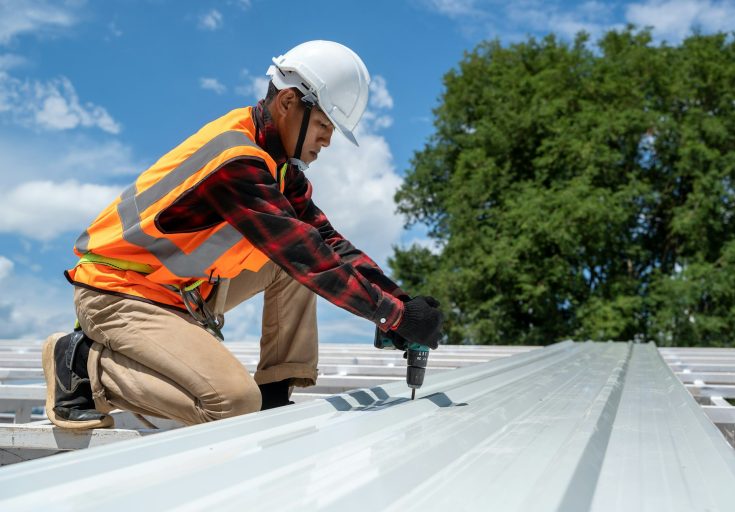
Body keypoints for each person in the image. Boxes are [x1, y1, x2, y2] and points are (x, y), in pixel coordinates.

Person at [42, 40, 444, 429]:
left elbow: (328, 243)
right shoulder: (237, 162)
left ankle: (274, 392)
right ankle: (81, 363)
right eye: (323, 124)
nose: (327, 139)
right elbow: (307, 258)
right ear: (288, 103)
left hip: (178, 293)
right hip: (118, 291)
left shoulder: (280, 166)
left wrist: (401, 306)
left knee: (300, 256)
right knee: (234, 405)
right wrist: (390, 315)